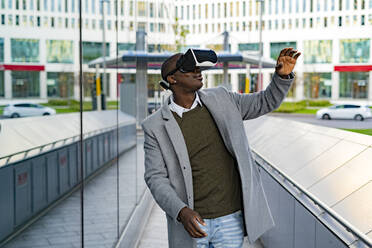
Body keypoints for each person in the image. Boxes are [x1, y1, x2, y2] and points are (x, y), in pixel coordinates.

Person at [141, 47, 301, 248]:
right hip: (192, 223)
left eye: (199, 68)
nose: (198, 73)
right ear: (172, 79)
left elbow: (264, 101)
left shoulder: (222, 98)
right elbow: (155, 178)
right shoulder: (154, 126)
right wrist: (182, 212)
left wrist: (281, 77)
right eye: (190, 69)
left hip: (230, 219)